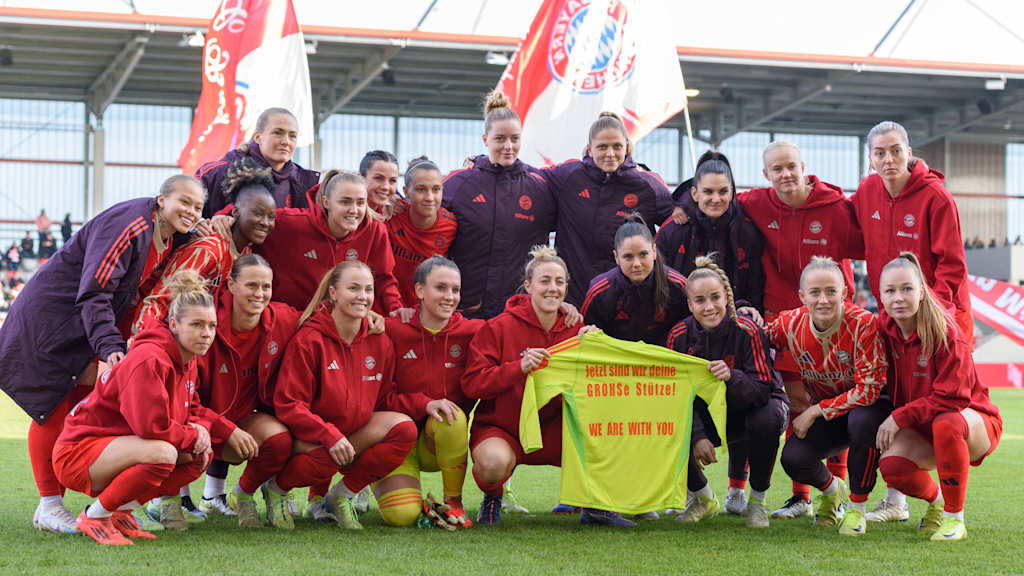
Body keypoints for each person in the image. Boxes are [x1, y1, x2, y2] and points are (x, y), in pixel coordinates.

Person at [0, 175, 203, 534]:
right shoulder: (129, 225)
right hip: (54, 320)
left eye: (198, 206)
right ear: (161, 201)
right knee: (53, 404)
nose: (191, 212)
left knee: (85, 404)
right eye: (184, 203)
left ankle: (108, 505)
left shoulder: (170, 234)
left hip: (84, 328)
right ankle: (49, 503)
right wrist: (110, 347)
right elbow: (95, 292)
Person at [51, 270, 232, 545]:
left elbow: (190, 408)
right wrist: (193, 434)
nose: (206, 333)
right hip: (77, 452)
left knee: (199, 455)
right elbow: (151, 428)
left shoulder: (187, 357)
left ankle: (121, 512)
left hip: (115, 447)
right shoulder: (150, 358)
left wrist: (206, 431)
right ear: (173, 324)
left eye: (211, 325)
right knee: (163, 452)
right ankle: (95, 516)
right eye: (196, 324)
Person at [461, 246, 637, 527]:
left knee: (611, 432)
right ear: (528, 285)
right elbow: (473, 385)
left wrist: (595, 344)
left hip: (555, 429)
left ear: (566, 288)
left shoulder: (575, 328)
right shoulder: (497, 327)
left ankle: (595, 505)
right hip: (506, 429)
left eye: (559, 282)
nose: (552, 288)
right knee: (493, 464)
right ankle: (492, 497)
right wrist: (517, 368)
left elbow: (595, 387)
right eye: (544, 281)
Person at [738, 141, 864, 519]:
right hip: (786, 323)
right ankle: (802, 497)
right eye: (777, 169)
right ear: (766, 175)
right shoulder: (756, 203)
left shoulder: (835, 208)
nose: (785, 174)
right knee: (798, 402)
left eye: (791, 166)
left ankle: (836, 496)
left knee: (835, 398)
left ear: (804, 167)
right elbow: (716, 201)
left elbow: (872, 242)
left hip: (834, 321)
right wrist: (679, 206)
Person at [268, 261, 417, 530]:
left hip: (351, 434)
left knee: (405, 429)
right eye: (354, 288)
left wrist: (426, 404)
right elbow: (289, 404)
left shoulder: (380, 341)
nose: (363, 296)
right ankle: (277, 489)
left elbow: (384, 401)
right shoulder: (309, 340)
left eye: (369, 289)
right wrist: (328, 434)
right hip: (310, 436)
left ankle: (341, 496)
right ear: (334, 293)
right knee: (328, 458)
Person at [875, 252, 1002, 541]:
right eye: (890, 290)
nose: (899, 297)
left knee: (947, 422)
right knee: (892, 467)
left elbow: (954, 398)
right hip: (925, 425)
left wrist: (899, 416)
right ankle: (936, 502)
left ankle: (954, 518)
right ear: (880, 296)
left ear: (921, 291)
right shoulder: (882, 330)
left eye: (907, 288)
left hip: (974, 423)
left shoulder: (946, 332)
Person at [767, 257, 889, 535]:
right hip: (831, 416)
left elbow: (870, 389)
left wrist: (813, 411)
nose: (823, 300)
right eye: (815, 293)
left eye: (831, 291)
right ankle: (833, 491)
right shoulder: (790, 323)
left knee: (861, 421)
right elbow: (758, 338)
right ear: (802, 297)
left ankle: (857, 509)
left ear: (845, 292)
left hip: (869, 412)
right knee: (794, 458)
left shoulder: (864, 325)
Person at [666, 257, 788, 528]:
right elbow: (677, 396)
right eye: (699, 300)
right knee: (664, 421)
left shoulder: (747, 329)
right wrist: (697, 435)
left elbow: (762, 389)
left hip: (752, 408)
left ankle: (757, 502)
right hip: (710, 416)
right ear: (689, 304)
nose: (709, 307)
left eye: (715, 297)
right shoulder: (678, 336)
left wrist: (732, 376)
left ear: (726, 297)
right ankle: (703, 498)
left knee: (766, 418)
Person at [189, 255, 300, 528]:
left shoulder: (281, 318)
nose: (259, 294)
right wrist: (225, 429)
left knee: (279, 440)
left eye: (266, 286)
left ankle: (243, 495)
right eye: (251, 285)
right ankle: (165, 502)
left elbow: (322, 320)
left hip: (241, 419)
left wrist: (370, 317)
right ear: (231, 285)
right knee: (176, 441)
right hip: (194, 419)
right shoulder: (205, 323)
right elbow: (182, 400)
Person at [374, 256, 484, 528]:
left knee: (452, 415)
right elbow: (375, 398)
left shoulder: (474, 331)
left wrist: (563, 310)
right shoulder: (390, 330)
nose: (450, 296)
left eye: (455, 290)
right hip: (395, 441)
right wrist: (423, 403)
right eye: (441, 288)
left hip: (439, 440)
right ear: (419, 291)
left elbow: (516, 324)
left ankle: (452, 504)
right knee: (402, 517)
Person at [852, 121, 972, 344]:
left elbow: (952, 264)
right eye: (880, 153)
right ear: (870, 159)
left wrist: (932, 312)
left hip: (941, 311)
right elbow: (842, 227)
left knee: (948, 378)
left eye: (895, 151)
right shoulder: (866, 191)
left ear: (907, 153)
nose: (888, 159)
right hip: (895, 313)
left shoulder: (936, 197)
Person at [442, 90, 557, 319]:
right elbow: (418, 210)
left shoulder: (541, 186)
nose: (508, 146)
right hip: (466, 309)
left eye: (515, 139)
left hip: (519, 311)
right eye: (500, 139)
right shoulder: (459, 183)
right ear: (485, 140)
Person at [543, 112, 678, 305]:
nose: (610, 153)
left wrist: (683, 203)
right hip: (573, 301)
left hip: (626, 305)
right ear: (590, 149)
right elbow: (529, 181)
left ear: (627, 147)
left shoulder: (647, 185)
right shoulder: (569, 176)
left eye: (617, 146)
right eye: (602, 147)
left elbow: (678, 216)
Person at [131, 158, 277, 336]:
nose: (265, 222)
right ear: (236, 212)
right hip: (144, 331)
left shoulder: (244, 254)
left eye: (271, 216)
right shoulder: (209, 249)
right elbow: (157, 300)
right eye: (258, 213)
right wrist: (139, 346)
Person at [251, 170, 403, 315]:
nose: (354, 210)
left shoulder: (374, 231)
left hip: (340, 323)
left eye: (360, 203)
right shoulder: (291, 223)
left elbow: (384, 278)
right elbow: (249, 214)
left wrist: (395, 308)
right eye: (345, 202)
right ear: (326, 202)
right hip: (292, 321)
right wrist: (227, 217)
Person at [656, 150, 764, 324]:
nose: (716, 199)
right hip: (679, 323)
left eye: (723, 191)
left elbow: (755, 285)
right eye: (708, 192)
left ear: (731, 192)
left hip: (733, 324)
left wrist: (749, 308)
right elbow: (658, 280)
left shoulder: (747, 231)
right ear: (694, 193)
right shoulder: (674, 228)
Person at [582, 214, 688, 347]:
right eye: (628, 257)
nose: (637, 263)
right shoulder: (599, 291)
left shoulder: (678, 286)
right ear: (616, 257)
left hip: (663, 364)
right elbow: (584, 335)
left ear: (654, 251)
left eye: (643, 254)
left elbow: (693, 330)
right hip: (617, 364)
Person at [197, 107, 319, 218]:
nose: (286, 141)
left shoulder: (305, 183)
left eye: (292, 136)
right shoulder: (218, 173)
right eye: (278, 133)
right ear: (257, 137)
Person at [386, 157, 458, 307]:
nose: (430, 197)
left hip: (427, 311)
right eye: (421, 189)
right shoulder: (390, 215)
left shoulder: (451, 225)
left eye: (436, 189)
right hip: (389, 307)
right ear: (406, 192)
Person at [360, 150, 401, 219]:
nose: (386, 187)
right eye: (378, 178)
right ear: (361, 179)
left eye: (392, 180)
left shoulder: (393, 211)